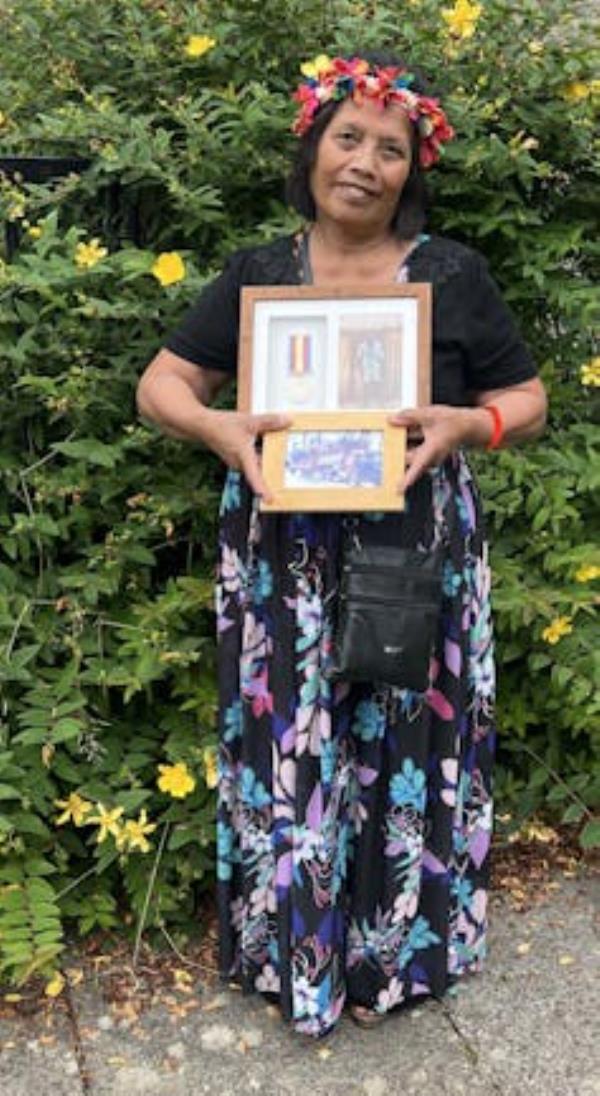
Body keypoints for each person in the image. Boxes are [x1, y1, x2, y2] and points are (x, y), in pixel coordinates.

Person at [136, 52, 547, 1037]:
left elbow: (525, 401)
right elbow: (161, 386)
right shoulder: (259, 275)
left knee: (409, 750)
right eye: (348, 138)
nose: (365, 162)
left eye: (391, 149)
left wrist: (463, 425)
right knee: (293, 751)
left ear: (413, 171)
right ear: (314, 147)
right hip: (281, 559)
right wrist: (221, 429)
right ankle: (297, 956)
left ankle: (392, 961)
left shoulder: (453, 274)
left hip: (417, 549)